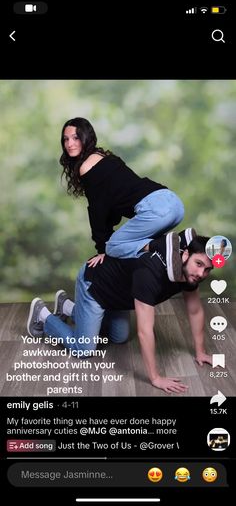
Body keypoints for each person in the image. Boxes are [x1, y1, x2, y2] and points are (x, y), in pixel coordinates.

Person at [27, 229, 213, 394]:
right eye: (198, 264)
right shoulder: (151, 273)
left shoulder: (189, 275)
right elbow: (144, 331)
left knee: (120, 337)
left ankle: (67, 306)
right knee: (83, 348)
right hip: (96, 286)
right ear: (185, 254)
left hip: (119, 298)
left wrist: (200, 352)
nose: (201, 273)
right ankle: (43, 315)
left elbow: (195, 311)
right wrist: (155, 378)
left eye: (207, 269)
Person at [59, 117, 184, 281]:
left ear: (86, 138)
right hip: (173, 203)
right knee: (136, 242)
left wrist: (102, 249)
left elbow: (97, 210)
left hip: (155, 209)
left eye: (76, 138)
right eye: (66, 139)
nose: (70, 144)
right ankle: (184, 245)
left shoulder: (86, 166)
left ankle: (161, 245)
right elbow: (113, 204)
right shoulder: (101, 156)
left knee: (114, 246)